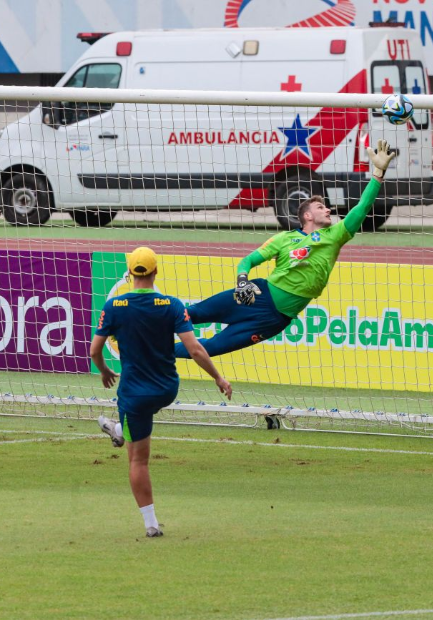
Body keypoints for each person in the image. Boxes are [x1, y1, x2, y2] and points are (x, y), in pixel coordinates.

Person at [175, 140, 394, 427]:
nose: (328, 209)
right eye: (321, 206)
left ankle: (145, 348)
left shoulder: (337, 235)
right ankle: (143, 323)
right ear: (307, 215)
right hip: (256, 295)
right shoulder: (284, 239)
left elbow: (363, 207)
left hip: (275, 319)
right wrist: (242, 281)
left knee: (212, 347)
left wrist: (377, 175)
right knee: (194, 314)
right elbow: (248, 261)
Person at [91, 246, 232, 538]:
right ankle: (119, 429)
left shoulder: (114, 306)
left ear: (129, 273)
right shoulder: (172, 305)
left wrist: (104, 370)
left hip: (135, 393)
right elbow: (194, 349)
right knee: (133, 427)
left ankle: (151, 524)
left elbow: (94, 350)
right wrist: (218, 377)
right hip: (167, 388)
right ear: (156, 271)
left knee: (137, 458)